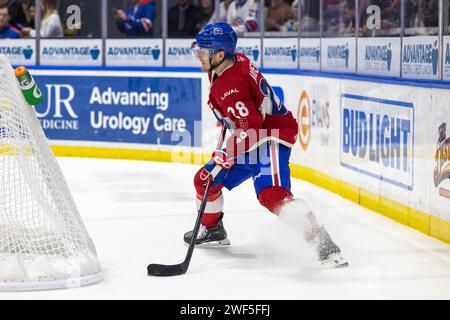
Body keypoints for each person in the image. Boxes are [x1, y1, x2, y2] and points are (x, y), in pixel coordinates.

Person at [186, 23, 348, 268]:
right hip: (253, 133)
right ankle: (213, 230)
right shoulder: (229, 62)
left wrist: (228, 153)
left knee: (272, 195)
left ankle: (325, 247)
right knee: (205, 179)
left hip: (271, 135)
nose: (198, 53)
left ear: (220, 54)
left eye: (204, 49)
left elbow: (251, 128)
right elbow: (240, 120)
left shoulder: (230, 86)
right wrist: (226, 143)